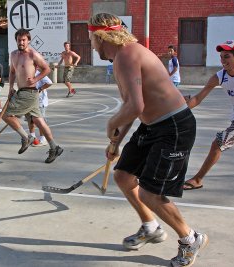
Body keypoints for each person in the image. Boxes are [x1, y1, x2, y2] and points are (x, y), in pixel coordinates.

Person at [88, 13, 207, 267]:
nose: (91, 44)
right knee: (123, 176)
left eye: (91, 38)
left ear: (100, 36)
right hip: (152, 125)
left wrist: (111, 124)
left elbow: (135, 105)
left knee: (150, 192)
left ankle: (190, 239)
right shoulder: (123, 55)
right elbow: (132, 106)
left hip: (174, 127)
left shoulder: (127, 55)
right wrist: (117, 143)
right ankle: (150, 226)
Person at [183, 40, 234, 191]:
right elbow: (197, 98)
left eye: (227, 56)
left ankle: (197, 179)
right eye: (221, 57)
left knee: (218, 143)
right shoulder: (219, 77)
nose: (223, 60)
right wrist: (180, 108)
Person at [2, 28, 63, 163]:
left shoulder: (33, 54)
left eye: (24, 40)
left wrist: (35, 79)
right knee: (39, 121)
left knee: (6, 115)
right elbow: (12, 72)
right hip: (22, 91)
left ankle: (26, 137)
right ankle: (54, 147)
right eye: (19, 40)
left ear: (28, 40)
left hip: (29, 93)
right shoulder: (13, 55)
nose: (21, 42)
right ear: (16, 41)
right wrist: (11, 87)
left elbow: (47, 69)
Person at [29, 67, 53, 147]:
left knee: (40, 121)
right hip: (30, 101)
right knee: (30, 120)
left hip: (40, 101)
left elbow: (49, 82)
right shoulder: (27, 74)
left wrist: (40, 89)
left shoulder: (40, 74)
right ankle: (32, 137)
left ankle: (43, 139)